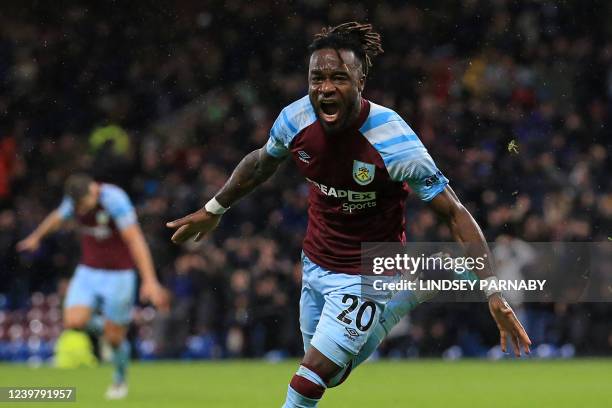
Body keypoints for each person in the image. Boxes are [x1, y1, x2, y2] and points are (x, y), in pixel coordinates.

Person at [167, 22, 531, 407]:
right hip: (317, 262)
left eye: (338, 78)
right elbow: (261, 163)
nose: (325, 88)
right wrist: (214, 208)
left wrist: (493, 290)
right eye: (317, 78)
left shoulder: (395, 141)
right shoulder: (295, 119)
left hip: (371, 270)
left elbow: (454, 213)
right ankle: (412, 289)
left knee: (308, 382)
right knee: (333, 375)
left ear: (361, 81)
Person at [18, 173, 168, 400]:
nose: (80, 211)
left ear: (93, 192)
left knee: (115, 340)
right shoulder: (76, 200)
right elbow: (57, 218)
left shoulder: (115, 200)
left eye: (83, 205)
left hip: (120, 275)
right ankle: (109, 328)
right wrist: (36, 237)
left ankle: (119, 377)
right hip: (89, 270)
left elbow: (135, 240)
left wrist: (149, 280)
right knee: (73, 321)